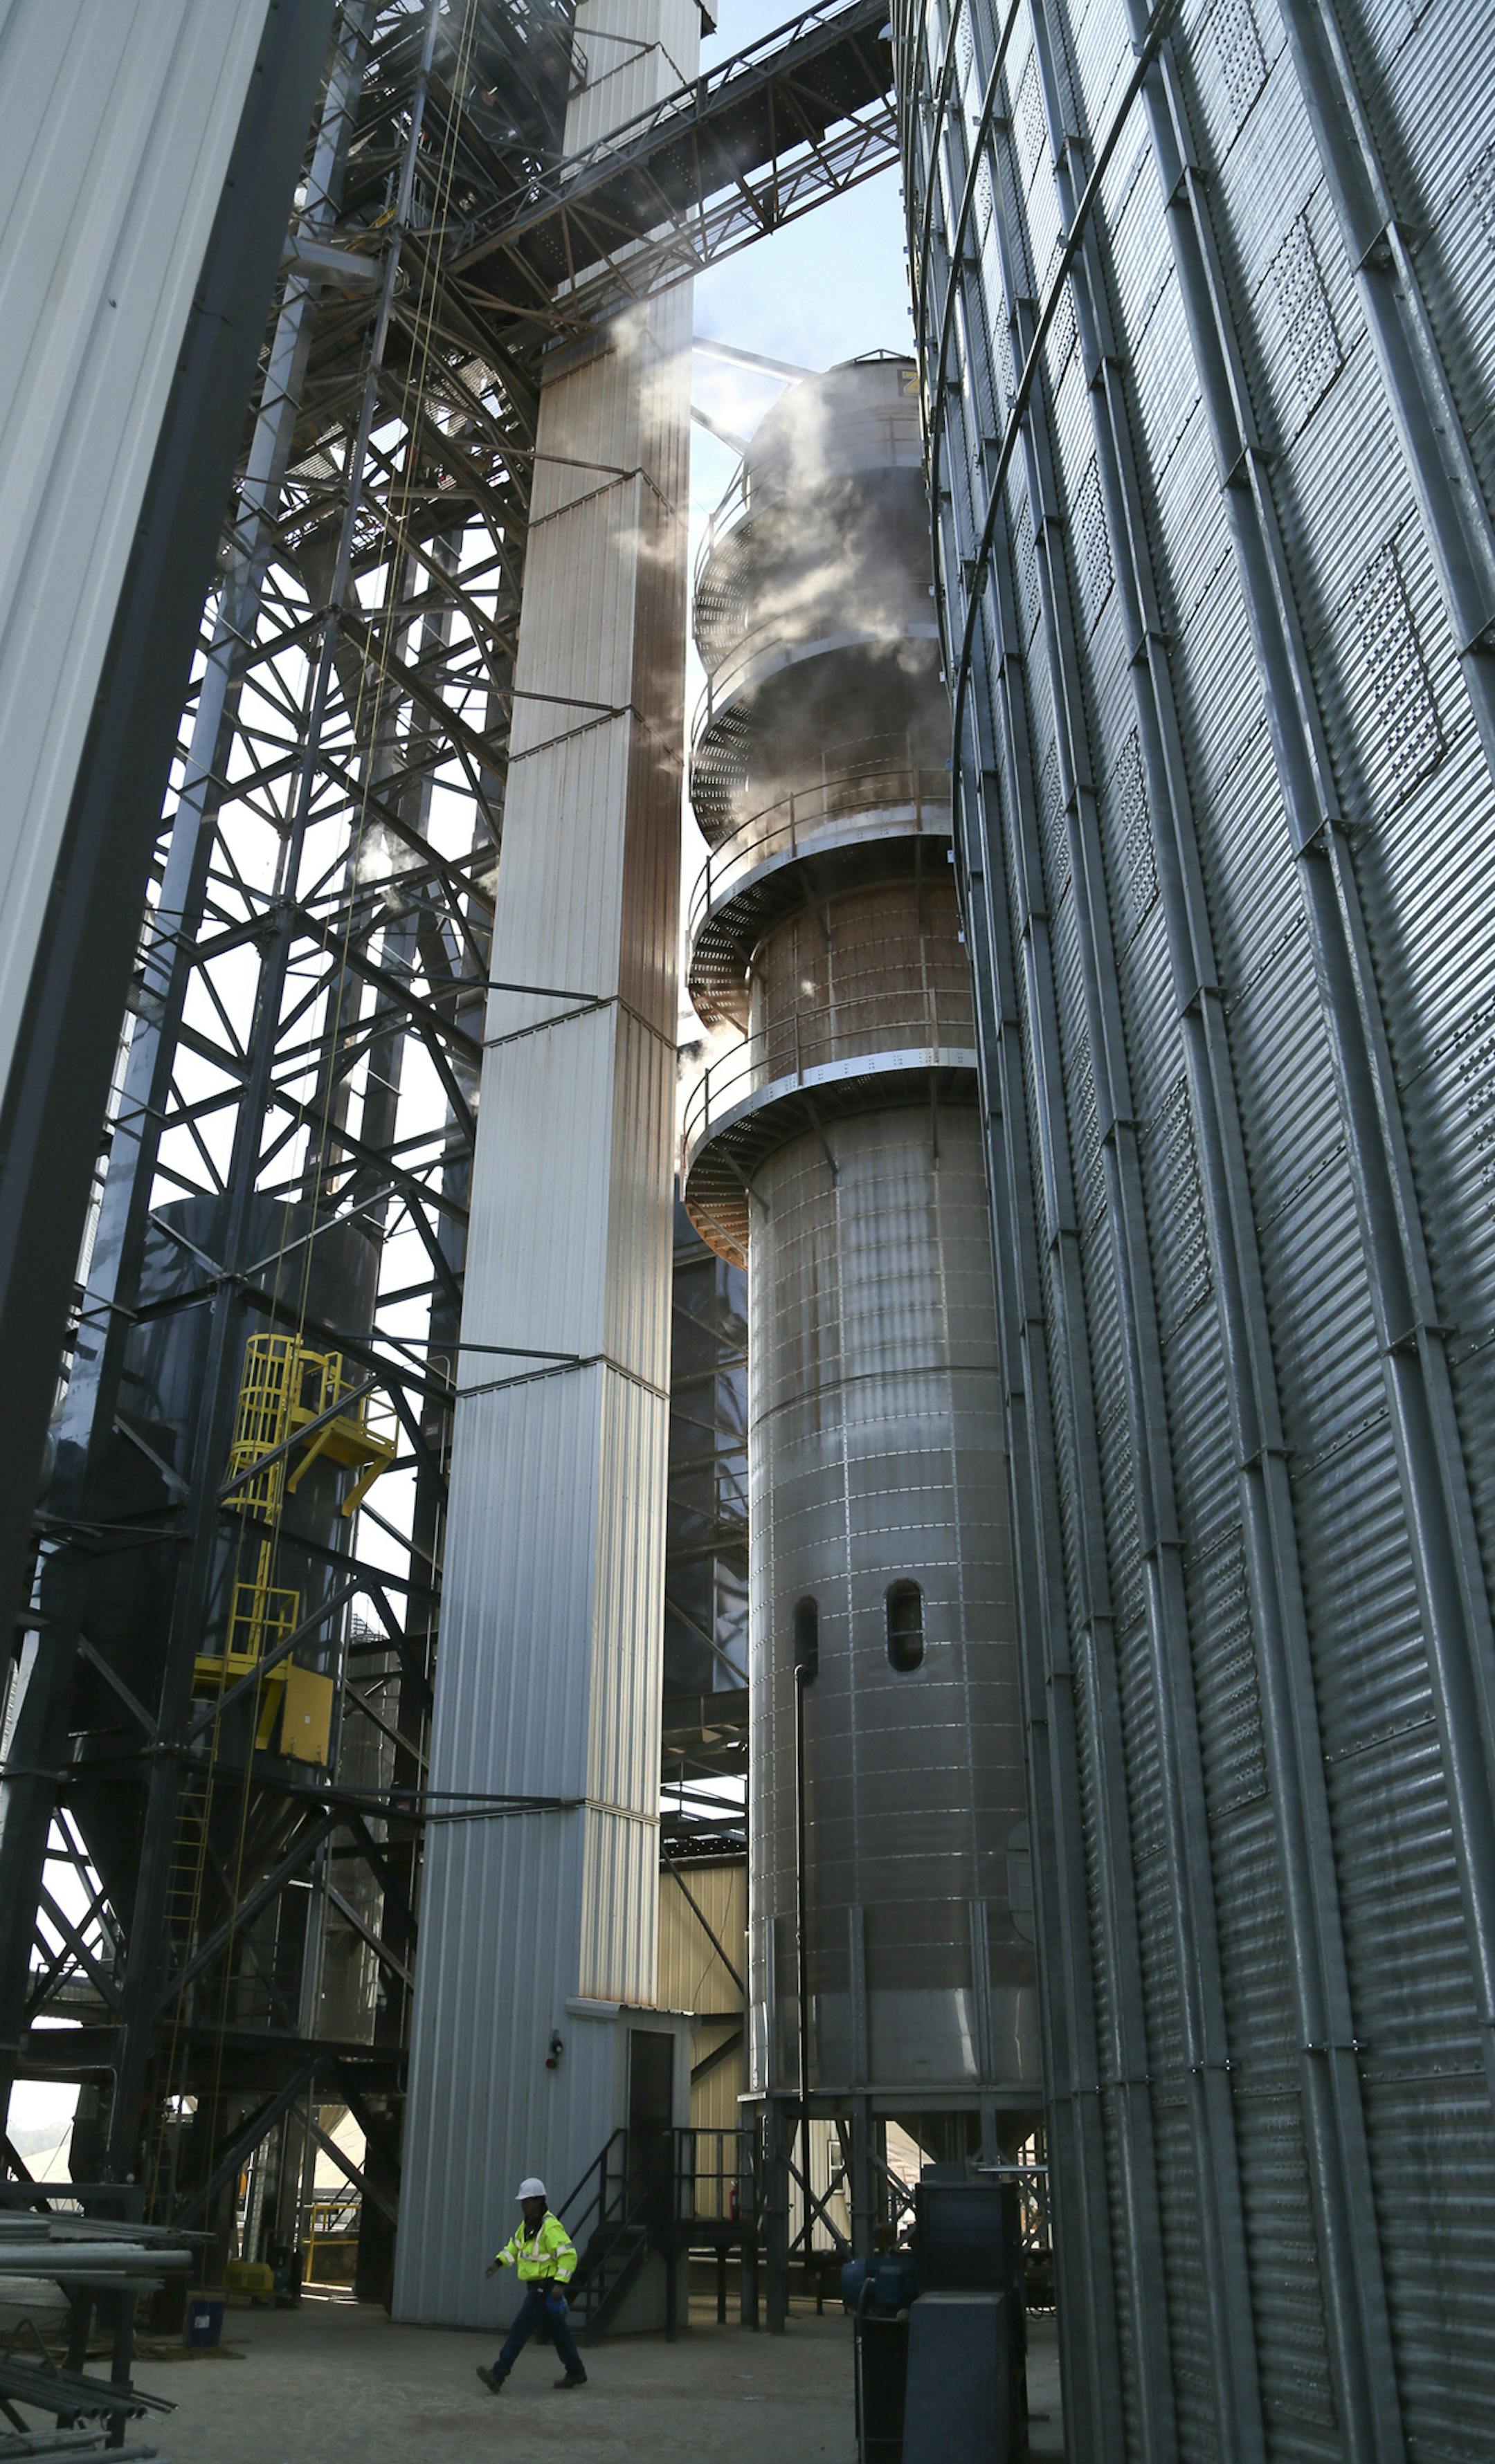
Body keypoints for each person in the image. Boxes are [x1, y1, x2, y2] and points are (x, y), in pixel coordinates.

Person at [475, 2177, 588, 2393]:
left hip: (544, 2288)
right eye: (522, 2201)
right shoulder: (526, 2227)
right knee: (558, 2332)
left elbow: (569, 2256)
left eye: (526, 2201)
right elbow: (514, 2248)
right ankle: (576, 2371)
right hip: (537, 2287)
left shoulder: (549, 2227)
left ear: (538, 2201)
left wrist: (559, 2284)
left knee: (520, 2328)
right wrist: (498, 2262)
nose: (522, 2205)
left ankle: (498, 2374)